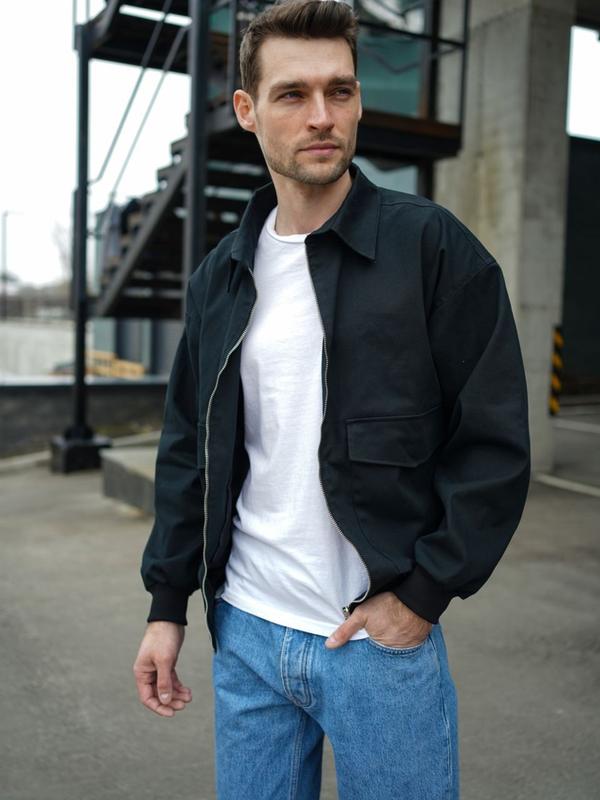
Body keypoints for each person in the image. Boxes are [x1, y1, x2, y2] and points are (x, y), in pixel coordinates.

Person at [133, 2, 531, 798]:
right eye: (292, 94)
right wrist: (167, 605)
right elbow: (189, 449)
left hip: (375, 641)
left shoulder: (430, 248)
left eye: (339, 91)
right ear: (246, 109)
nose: (322, 116)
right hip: (247, 630)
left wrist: (421, 597)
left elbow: (493, 442)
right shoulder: (222, 275)